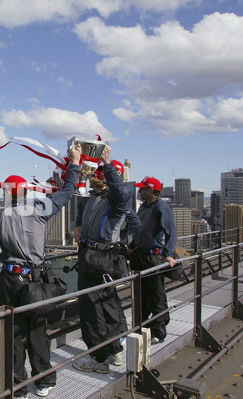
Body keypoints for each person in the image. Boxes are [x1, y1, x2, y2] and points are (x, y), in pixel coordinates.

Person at [0, 145, 81, 398]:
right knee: (37, 331)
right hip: (37, 280)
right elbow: (68, 191)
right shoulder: (40, 208)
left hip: (11, 280)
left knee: (12, 332)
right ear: (25, 192)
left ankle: (17, 385)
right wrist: (75, 164)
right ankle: (44, 381)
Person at [72, 145, 137, 374]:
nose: (92, 178)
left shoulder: (117, 201)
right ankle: (114, 351)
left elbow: (121, 192)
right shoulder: (95, 198)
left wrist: (108, 165)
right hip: (93, 256)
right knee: (108, 304)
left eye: (96, 174)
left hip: (101, 257)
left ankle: (99, 359)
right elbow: (82, 209)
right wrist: (79, 227)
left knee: (93, 308)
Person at [128, 176, 178, 344]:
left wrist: (169, 254)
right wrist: (132, 245)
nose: (139, 191)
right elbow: (140, 230)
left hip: (153, 257)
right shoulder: (144, 207)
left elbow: (172, 233)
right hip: (139, 255)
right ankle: (139, 328)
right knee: (140, 295)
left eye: (142, 189)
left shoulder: (162, 207)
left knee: (156, 296)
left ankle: (158, 332)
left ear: (151, 191)